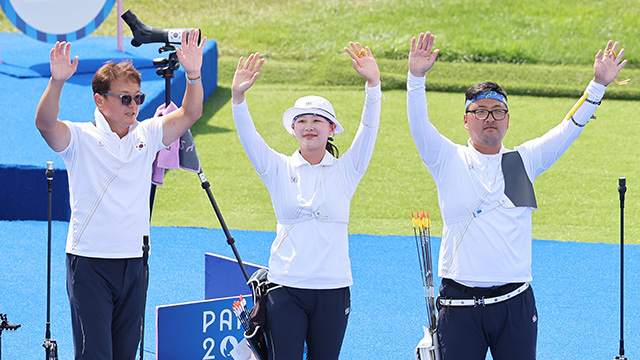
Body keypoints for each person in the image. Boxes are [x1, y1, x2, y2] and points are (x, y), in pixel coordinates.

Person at [406, 31, 627, 359]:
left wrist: (598, 85)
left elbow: (568, 128)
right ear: (466, 120)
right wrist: (415, 77)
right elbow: (419, 124)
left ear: (508, 119)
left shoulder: (523, 161)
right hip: (459, 306)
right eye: (480, 111)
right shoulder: (447, 158)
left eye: (498, 111)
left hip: (516, 306)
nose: (489, 118)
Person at [34, 29, 207, 359]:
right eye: (125, 98)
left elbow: (190, 113)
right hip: (90, 262)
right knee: (95, 354)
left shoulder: (149, 133)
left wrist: (194, 75)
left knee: (125, 354)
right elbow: (45, 125)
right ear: (100, 100)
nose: (134, 105)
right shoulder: (80, 137)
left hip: (134, 261)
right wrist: (56, 82)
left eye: (138, 98)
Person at [230, 42, 381, 359]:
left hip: (333, 290)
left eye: (318, 120)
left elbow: (368, 129)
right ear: (293, 128)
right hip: (285, 288)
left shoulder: (347, 170)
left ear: (331, 129)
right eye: (302, 120)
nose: (309, 126)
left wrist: (373, 86)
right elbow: (249, 137)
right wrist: (238, 99)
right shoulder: (277, 167)